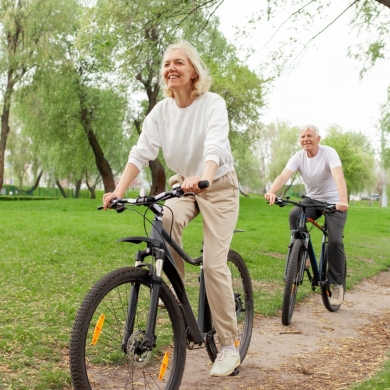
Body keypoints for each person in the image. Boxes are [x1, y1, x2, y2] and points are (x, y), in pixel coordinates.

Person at [103, 41, 240, 377]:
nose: (171, 69)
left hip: (217, 186)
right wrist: (118, 190)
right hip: (184, 184)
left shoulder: (212, 104)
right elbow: (141, 152)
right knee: (162, 220)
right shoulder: (161, 112)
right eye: (166, 64)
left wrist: (205, 178)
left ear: (193, 71)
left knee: (212, 262)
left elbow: (215, 145)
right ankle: (181, 310)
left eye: (178, 62)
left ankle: (228, 345)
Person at [264, 124, 348, 306]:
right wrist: (271, 191)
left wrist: (343, 200)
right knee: (294, 215)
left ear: (318, 138)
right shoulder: (299, 157)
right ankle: (303, 255)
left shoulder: (329, 153)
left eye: (309, 136)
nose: (305, 139)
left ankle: (338, 285)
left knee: (334, 241)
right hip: (313, 199)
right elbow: (283, 175)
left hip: (334, 202)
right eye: (302, 137)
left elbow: (339, 177)